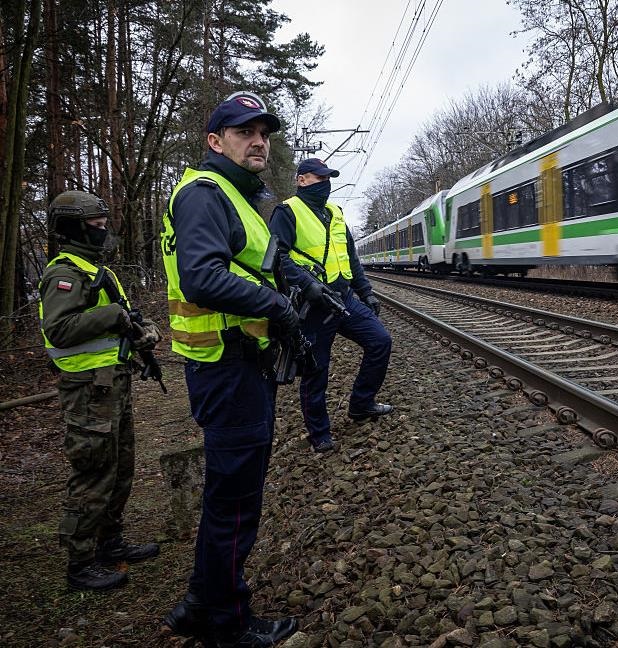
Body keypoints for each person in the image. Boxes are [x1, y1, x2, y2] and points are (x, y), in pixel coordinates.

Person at [160, 91, 299, 647]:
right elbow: (201, 277)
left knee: (227, 496)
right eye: (244, 132)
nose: (259, 140)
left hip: (236, 364)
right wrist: (277, 308)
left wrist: (290, 288)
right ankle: (226, 624)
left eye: (264, 132)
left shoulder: (236, 199)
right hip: (228, 366)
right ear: (215, 142)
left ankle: (202, 602)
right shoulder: (204, 193)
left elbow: (255, 268)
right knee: (237, 502)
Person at [38, 190, 161, 591]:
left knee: (121, 467)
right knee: (93, 471)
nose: (104, 230)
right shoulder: (65, 273)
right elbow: (59, 329)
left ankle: (111, 543)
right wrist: (112, 316)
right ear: (74, 227)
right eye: (96, 224)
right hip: (88, 391)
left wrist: (139, 334)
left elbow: (114, 326)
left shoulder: (94, 269)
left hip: (112, 385)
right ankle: (80, 562)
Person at [269, 157, 393, 453]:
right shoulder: (286, 212)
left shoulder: (335, 213)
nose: (326, 184)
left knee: (380, 341)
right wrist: (307, 284)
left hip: (345, 298)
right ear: (301, 181)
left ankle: (361, 404)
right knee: (316, 369)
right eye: (319, 178)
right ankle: (319, 433)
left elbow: (351, 257)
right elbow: (277, 257)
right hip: (313, 306)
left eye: (328, 179)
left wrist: (367, 293)